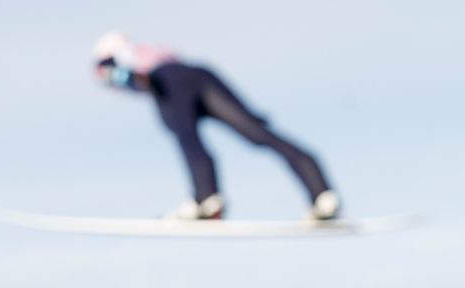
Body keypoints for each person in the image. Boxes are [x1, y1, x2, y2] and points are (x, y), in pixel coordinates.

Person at [94, 32, 340, 222]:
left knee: (186, 135)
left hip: (169, 82)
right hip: (201, 75)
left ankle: (206, 200)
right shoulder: (152, 50)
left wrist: (122, 76)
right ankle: (323, 195)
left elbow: (129, 74)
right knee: (258, 134)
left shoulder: (112, 58)